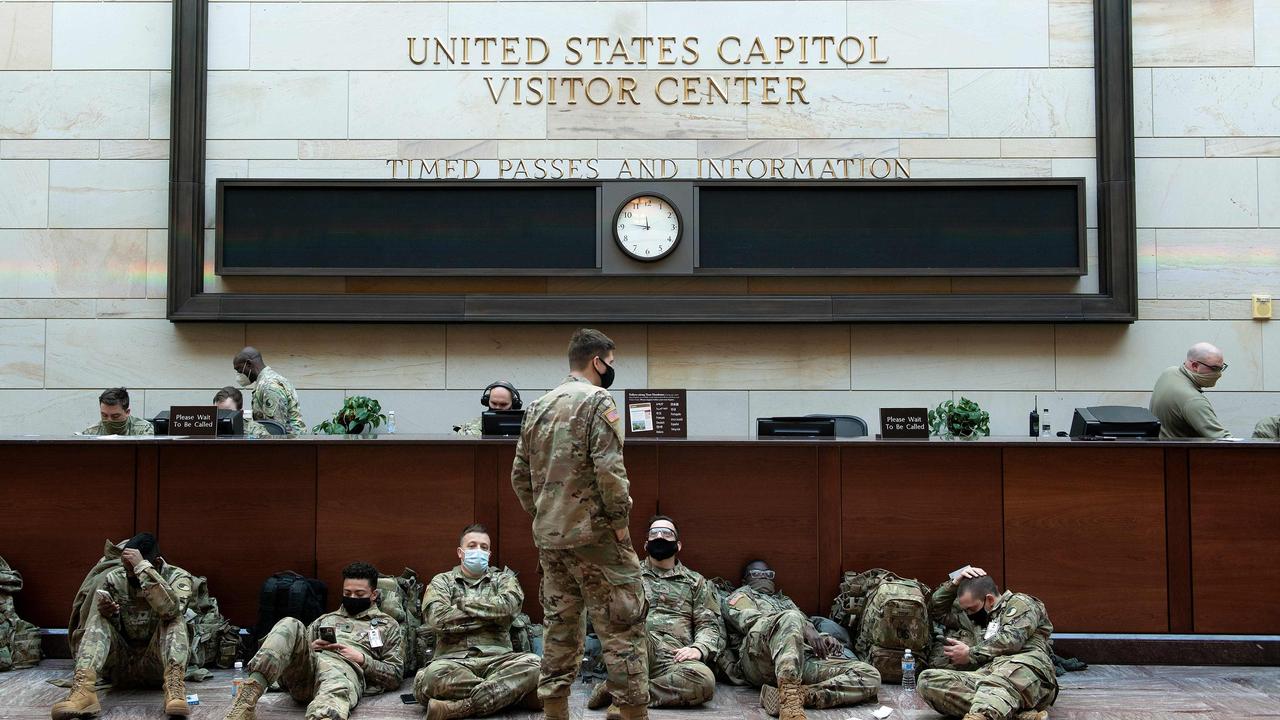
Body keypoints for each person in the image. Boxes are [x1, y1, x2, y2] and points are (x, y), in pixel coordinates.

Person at [510, 328, 650, 720]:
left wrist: (543, 516)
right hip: (598, 537)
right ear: (597, 361)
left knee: (559, 624)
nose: (611, 370)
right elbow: (610, 471)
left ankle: (555, 707)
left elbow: (519, 476)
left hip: (551, 540)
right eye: (611, 363)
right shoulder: (598, 400)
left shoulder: (538, 406)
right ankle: (631, 711)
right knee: (623, 624)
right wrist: (621, 525)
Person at [224, 561, 403, 720]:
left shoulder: (388, 625)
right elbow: (293, 652)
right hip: (305, 674)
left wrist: (362, 659)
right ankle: (246, 701)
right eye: (347, 593)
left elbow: (395, 675)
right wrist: (311, 647)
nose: (352, 598)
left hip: (345, 672)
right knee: (290, 623)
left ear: (373, 594)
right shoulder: (325, 619)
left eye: (359, 593)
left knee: (335, 678)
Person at [588, 515, 723, 717]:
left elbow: (710, 625)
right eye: (654, 533)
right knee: (634, 627)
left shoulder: (696, 582)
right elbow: (602, 617)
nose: (660, 536)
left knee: (705, 681)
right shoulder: (628, 576)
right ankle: (628, 692)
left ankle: (620, 694)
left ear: (678, 545)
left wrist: (699, 648)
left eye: (666, 533)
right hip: (635, 647)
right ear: (645, 545)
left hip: (675, 656)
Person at [52, 533, 194, 720]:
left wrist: (143, 569)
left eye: (132, 570)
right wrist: (110, 614)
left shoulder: (178, 577)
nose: (129, 575)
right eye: (126, 569)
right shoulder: (114, 578)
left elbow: (170, 610)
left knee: (175, 619)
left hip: (158, 665)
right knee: (98, 618)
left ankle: (175, 689)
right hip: (120, 664)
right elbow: (111, 627)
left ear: (156, 562)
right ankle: (83, 692)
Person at [721, 560, 880, 720]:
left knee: (869, 675)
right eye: (756, 574)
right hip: (759, 659)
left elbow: (809, 629)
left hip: (798, 659)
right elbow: (751, 622)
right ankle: (790, 706)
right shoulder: (739, 596)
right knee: (791, 617)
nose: (763, 577)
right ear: (745, 579)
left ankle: (801, 695)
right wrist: (800, 626)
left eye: (768, 574)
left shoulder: (785, 601)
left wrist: (823, 638)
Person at [412, 524, 540, 719]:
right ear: (460, 552)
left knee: (536, 665)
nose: (478, 551)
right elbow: (438, 619)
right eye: (472, 546)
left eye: (484, 547)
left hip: (499, 659)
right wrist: (492, 616)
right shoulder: (442, 581)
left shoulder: (504, 580)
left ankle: (463, 707)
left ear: (489, 554)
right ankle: (514, 695)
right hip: (453, 662)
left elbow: (509, 608)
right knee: (432, 677)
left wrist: (461, 604)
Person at [918, 567, 1056, 720]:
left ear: (989, 599)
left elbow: (1011, 640)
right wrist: (955, 582)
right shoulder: (976, 622)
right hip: (988, 674)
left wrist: (969, 654)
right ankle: (1018, 715)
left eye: (971, 608)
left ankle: (981, 716)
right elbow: (937, 610)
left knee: (998, 680)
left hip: (1024, 670)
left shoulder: (1021, 603)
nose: (969, 613)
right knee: (927, 680)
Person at [1149, 342, 1231, 438]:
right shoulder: (1193, 400)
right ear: (1195, 366)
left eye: (1221, 368)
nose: (1219, 374)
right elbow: (1221, 439)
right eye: (1214, 368)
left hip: (1162, 448)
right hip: (1180, 452)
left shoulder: (1169, 372)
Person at [232, 346, 306, 435]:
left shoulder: (269, 386)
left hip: (288, 445)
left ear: (248, 364)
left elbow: (276, 430)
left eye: (239, 369)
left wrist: (244, 425)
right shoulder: (268, 381)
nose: (238, 374)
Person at [454, 381, 522, 437]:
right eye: (494, 403)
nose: (497, 407)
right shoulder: (471, 428)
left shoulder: (526, 427)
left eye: (503, 404)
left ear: (514, 404)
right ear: (486, 402)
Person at [81, 387, 153, 436]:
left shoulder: (143, 430)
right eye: (104, 415)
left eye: (115, 416)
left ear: (127, 412)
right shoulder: (91, 433)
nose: (109, 420)